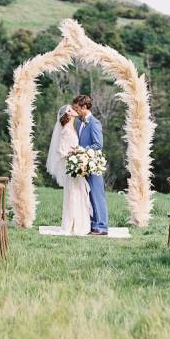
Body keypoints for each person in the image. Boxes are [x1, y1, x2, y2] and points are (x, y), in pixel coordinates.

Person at [45, 104, 92, 235]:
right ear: (68, 114)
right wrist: (74, 155)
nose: (74, 110)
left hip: (77, 167)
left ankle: (81, 224)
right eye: (71, 109)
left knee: (79, 194)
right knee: (73, 195)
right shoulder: (66, 129)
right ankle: (72, 225)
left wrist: (78, 154)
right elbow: (61, 150)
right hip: (72, 169)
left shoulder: (73, 127)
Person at [73, 94, 108, 235]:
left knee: (97, 194)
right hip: (83, 164)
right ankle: (93, 224)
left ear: (84, 107)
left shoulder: (94, 123)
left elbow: (98, 145)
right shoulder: (79, 122)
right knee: (88, 196)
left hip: (93, 163)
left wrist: (82, 151)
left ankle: (102, 226)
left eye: (77, 108)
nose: (75, 111)